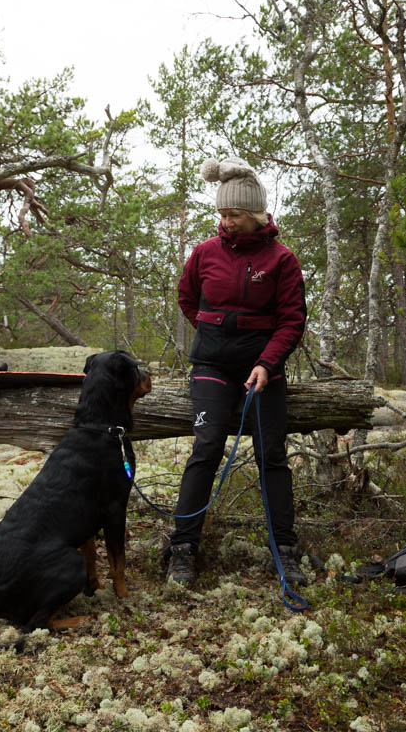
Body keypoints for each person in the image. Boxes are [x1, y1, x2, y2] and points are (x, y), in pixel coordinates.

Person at [165, 156, 308, 588]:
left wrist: (266, 362)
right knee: (206, 447)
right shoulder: (204, 253)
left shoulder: (282, 260)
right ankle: (183, 549)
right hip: (211, 367)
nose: (225, 222)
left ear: (256, 215)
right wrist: (214, 336)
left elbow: (292, 319)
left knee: (271, 456)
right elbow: (187, 298)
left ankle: (284, 551)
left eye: (234, 215)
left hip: (265, 371)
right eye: (222, 214)